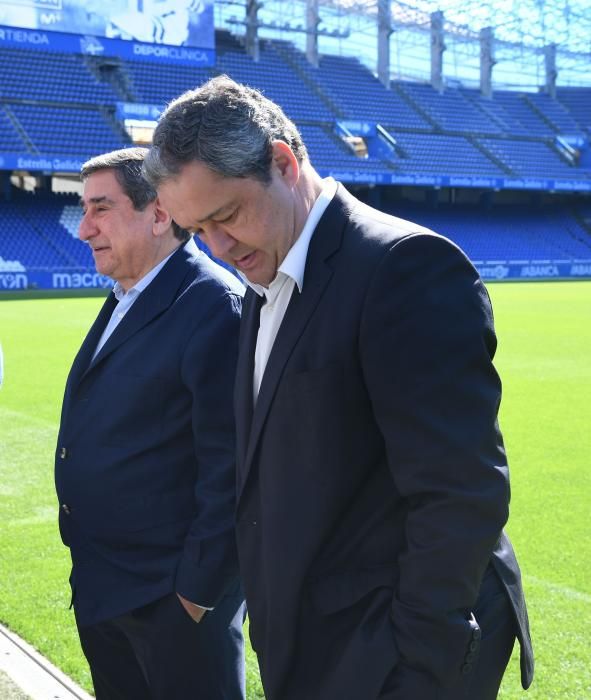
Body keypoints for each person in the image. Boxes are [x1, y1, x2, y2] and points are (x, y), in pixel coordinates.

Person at [144, 76, 535, 700]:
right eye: (197, 231)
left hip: (386, 656)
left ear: (283, 161)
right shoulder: (261, 269)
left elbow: (460, 495)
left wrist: (415, 669)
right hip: (315, 642)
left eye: (226, 215)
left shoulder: (405, 268)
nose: (218, 248)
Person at [54, 147, 246, 700]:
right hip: (105, 587)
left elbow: (229, 467)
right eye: (84, 210)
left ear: (160, 213)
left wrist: (194, 596)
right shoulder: (126, 294)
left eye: (100, 209)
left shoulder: (212, 304)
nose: (84, 228)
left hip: (169, 605)